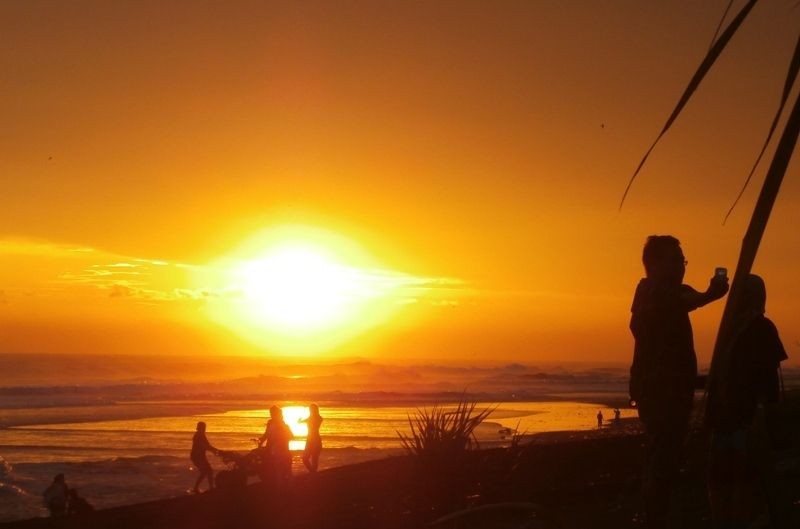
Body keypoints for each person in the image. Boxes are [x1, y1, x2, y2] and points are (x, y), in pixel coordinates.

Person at [629, 235, 728, 529]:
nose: (682, 266)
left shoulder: (670, 292)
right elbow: (686, 299)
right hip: (659, 391)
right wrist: (710, 294)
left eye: (682, 260)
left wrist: (708, 294)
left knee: (667, 454)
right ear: (655, 263)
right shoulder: (650, 291)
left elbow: (688, 296)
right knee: (663, 456)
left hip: (672, 388)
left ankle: (659, 511)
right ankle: (656, 516)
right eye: (675, 260)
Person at [706, 274, 789, 528]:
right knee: (729, 483)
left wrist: (770, 419)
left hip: (747, 418)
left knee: (750, 482)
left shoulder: (761, 328)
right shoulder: (729, 330)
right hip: (726, 420)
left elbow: (769, 380)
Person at [259, 406, 293, 486]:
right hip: (274, 448)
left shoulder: (282, 424)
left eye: (272, 413)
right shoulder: (271, 422)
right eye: (270, 413)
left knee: (283, 469)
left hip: (281, 449)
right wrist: (260, 441)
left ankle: (284, 487)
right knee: (277, 468)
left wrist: (279, 440)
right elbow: (267, 434)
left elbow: (290, 436)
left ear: (276, 413)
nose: (271, 414)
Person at [191, 421, 219, 493]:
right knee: (208, 471)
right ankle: (210, 488)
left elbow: (208, 445)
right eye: (203, 427)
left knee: (205, 472)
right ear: (200, 428)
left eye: (204, 427)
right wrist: (215, 450)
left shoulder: (202, 435)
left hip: (200, 456)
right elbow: (204, 446)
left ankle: (197, 488)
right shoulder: (198, 435)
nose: (204, 429)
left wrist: (215, 450)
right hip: (197, 457)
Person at [301, 403, 323, 473]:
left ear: (315, 410)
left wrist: (304, 420)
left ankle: (313, 474)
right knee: (305, 458)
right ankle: (312, 472)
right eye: (310, 409)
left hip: (316, 439)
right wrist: (300, 421)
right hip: (309, 439)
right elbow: (304, 421)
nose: (310, 411)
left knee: (314, 459)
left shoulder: (318, 418)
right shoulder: (310, 418)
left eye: (311, 409)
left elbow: (316, 422)